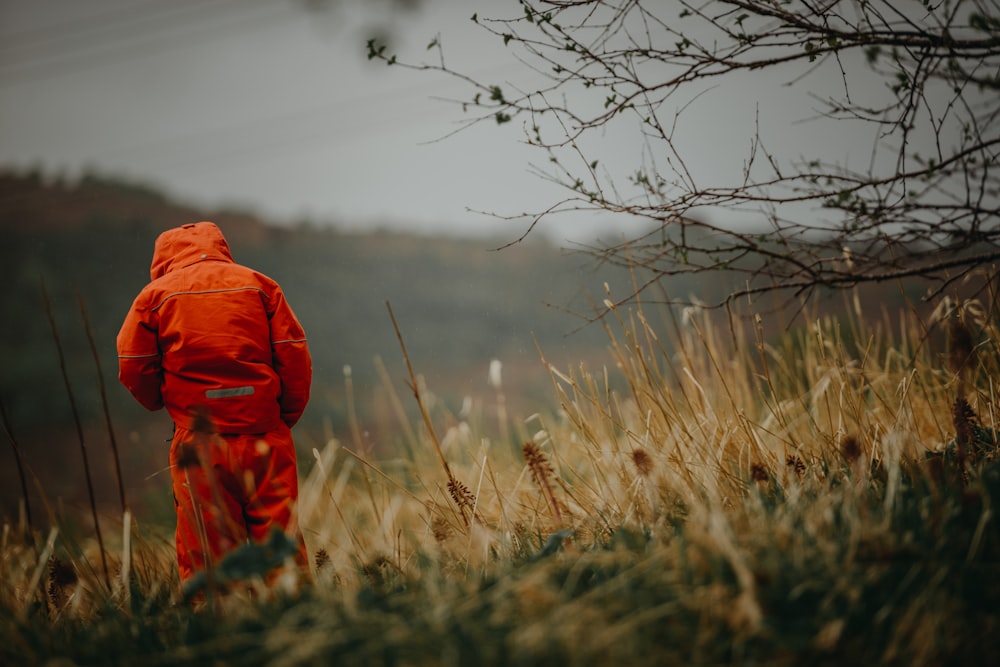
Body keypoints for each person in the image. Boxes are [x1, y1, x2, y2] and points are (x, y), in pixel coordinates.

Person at [117, 221, 312, 592]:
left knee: (209, 553)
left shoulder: (154, 296)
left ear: (162, 259)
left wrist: (160, 402)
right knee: (280, 544)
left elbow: (132, 361)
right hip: (265, 438)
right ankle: (297, 623)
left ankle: (221, 635)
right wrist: (280, 418)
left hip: (199, 444)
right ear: (220, 246)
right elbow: (294, 356)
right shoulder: (260, 285)